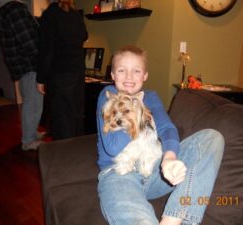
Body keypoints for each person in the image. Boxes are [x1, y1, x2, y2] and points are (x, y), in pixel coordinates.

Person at [96, 45, 225, 225]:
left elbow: (167, 129)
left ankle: (173, 219)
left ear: (145, 76)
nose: (129, 77)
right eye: (121, 70)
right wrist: (136, 114)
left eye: (136, 71)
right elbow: (112, 147)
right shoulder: (108, 97)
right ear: (112, 75)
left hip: (154, 170)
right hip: (118, 173)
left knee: (211, 138)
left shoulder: (150, 96)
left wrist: (169, 158)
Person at [0, 0, 44, 150]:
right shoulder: (14, 9)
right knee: (32, 104)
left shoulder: (5, 11)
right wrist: (45, 58)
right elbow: (29, 41)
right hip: (29, 64)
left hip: (22, 64)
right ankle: (28, 140)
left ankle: (31, 132)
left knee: (32, 102)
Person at [36, 0, 88, 140]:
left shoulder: (50, 15)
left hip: (60, 73)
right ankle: (77, 150)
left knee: (62, 117)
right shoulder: (75, 14)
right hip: (78, 71)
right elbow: (84, 36)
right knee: (76, 114)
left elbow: (46, 50)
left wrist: (40, 78)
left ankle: (65, 156)